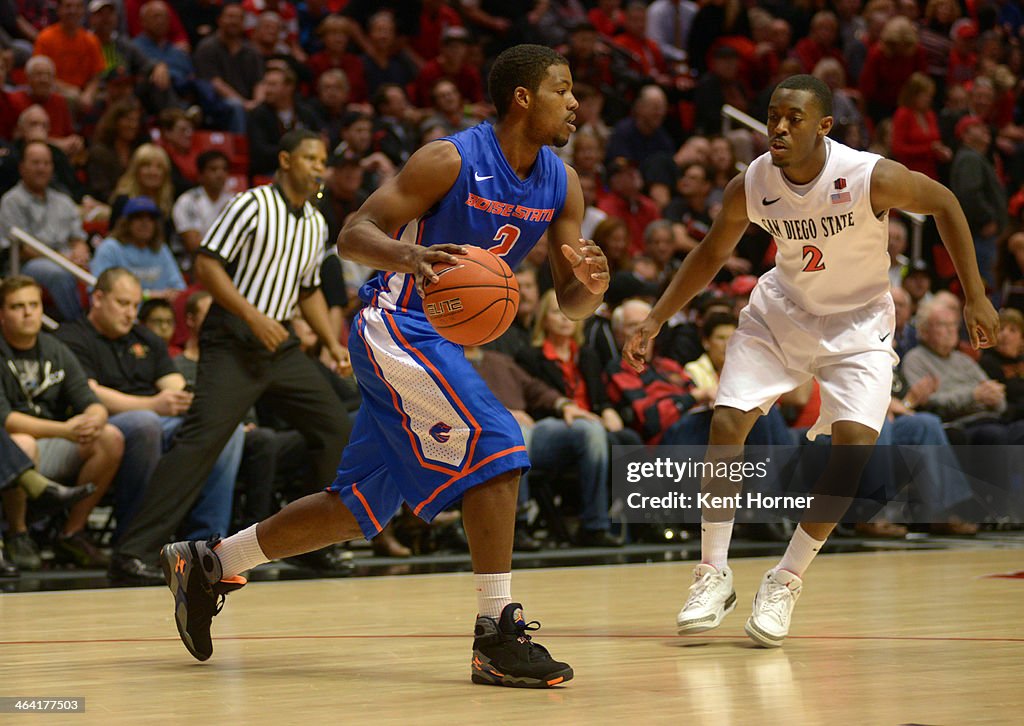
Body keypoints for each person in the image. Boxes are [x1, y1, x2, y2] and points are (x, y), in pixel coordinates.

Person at [159, 45, 607, 688]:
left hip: (440, 343)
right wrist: (409, 256)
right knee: (502, 444)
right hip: (394, 324)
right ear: (523, 98)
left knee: (360, 506)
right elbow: (352, 232)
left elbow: (572, 301)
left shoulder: (563, 183)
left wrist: (592, 286)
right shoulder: (449, 159)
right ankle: (496, 633)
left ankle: (208, 563)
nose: (575, 103)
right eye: (564, 90)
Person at [624, 74, 999, 648]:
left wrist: (975, 294)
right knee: (727, 422)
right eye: (773, 115)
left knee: (852, 450)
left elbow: (945, 203)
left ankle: (786, 578)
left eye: (794, 117)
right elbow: (709, 254)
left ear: (824, 125)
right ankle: (711, 572)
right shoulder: (752, 182)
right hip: (784, 310)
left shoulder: (869, 174)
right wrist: (654, 317)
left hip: (859, 324)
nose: (779, 126)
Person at [115, 128, 352, 584]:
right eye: (309, 158)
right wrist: (251, 315)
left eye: (323, 160)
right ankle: (133, 551)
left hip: (279, 345)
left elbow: (308, 291)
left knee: (336, 427)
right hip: (233, 338)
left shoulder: (317, 223)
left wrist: (331, 341)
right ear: (285, 160)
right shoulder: (251, 204)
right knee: (201, 443)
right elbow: (206, 264)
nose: (319, 167)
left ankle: (313, 544)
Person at [0, 275, 123, 569]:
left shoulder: (55, 348)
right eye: (18, 306)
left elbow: (89, 398)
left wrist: (93, 418)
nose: (29, 313)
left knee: (110, 436)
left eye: (34, 305)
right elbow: (6, 420)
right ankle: (18, 534)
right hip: (18, 443)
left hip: (55, 442)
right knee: (22, 443)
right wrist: (65, 430)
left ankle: (71, 532)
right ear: (2, 313)